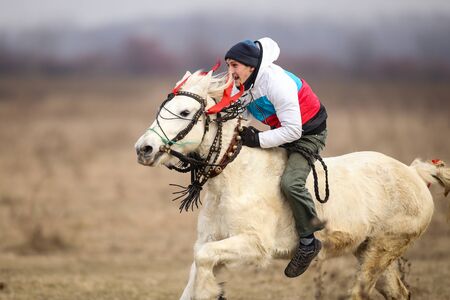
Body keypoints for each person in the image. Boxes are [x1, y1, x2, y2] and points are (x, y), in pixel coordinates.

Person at [224, 37, 328, 278]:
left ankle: (308, 240)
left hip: (307, 134)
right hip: (281, 132)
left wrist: (257, 140)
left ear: (250, 66)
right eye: (228, 65)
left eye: (234, 66)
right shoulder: (244, 81)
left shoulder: (277, 83)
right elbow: (240, 110)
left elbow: (294, 131)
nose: (230, 71)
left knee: (290, 183)